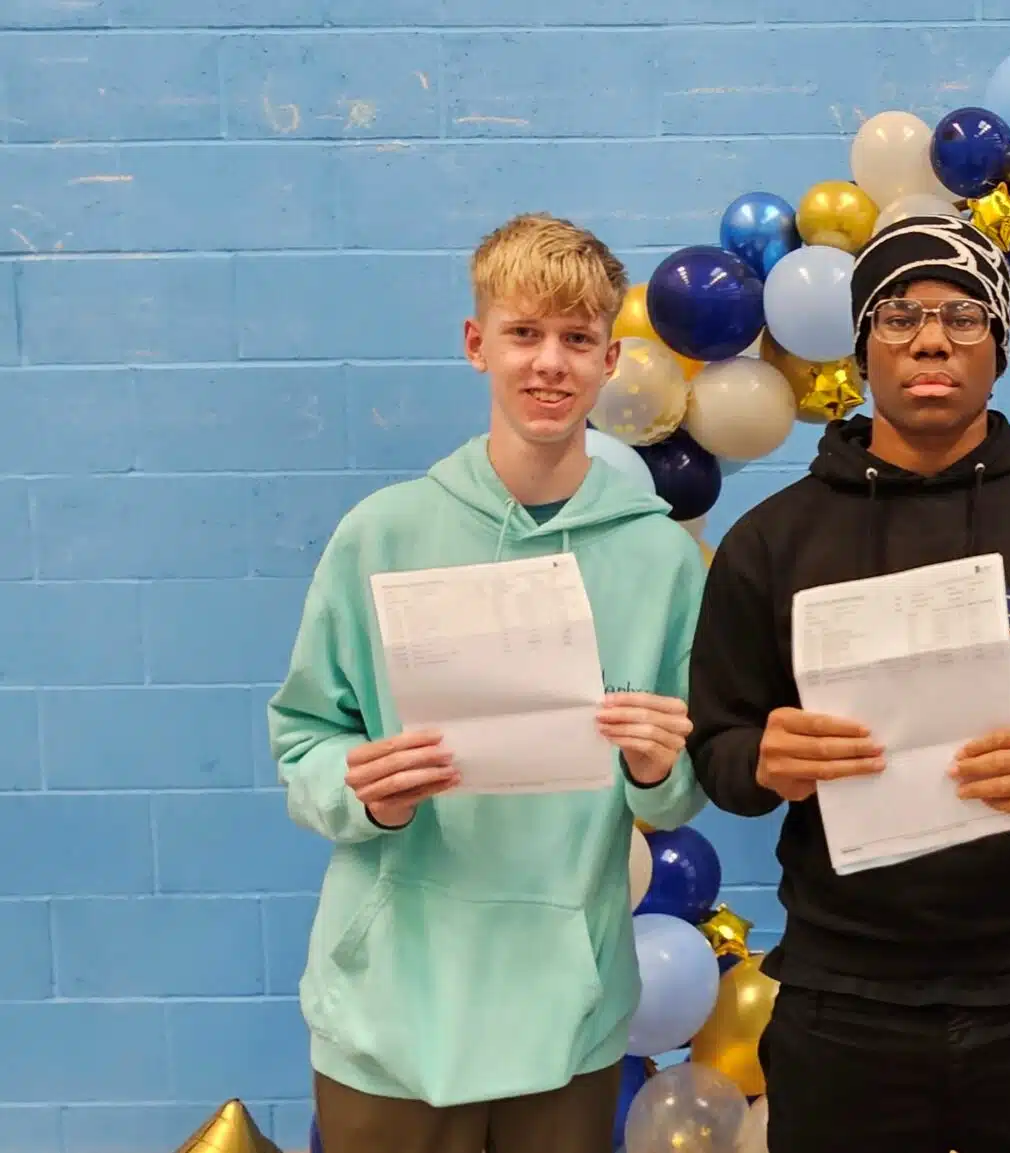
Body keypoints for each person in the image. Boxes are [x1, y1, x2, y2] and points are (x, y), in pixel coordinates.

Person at [684, 214, 1010, 1153]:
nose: (931, 339)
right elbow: (718, 749)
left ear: (998, 343)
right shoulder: (772, 540)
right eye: (899, 314)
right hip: (842, 998)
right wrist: (761, 757)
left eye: (962, 314)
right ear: (864, 345)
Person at [269, 213, 708, 1153]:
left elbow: (679, 787)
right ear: (478, 345)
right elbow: (305, 738)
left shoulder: (662, 559)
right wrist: (363, 791)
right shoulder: (381, 535)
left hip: (567, 1013)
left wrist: (656, 764)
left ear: (610, 359)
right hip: (391, 1012)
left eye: (577, 339)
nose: (550, 363)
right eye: (524, 334)